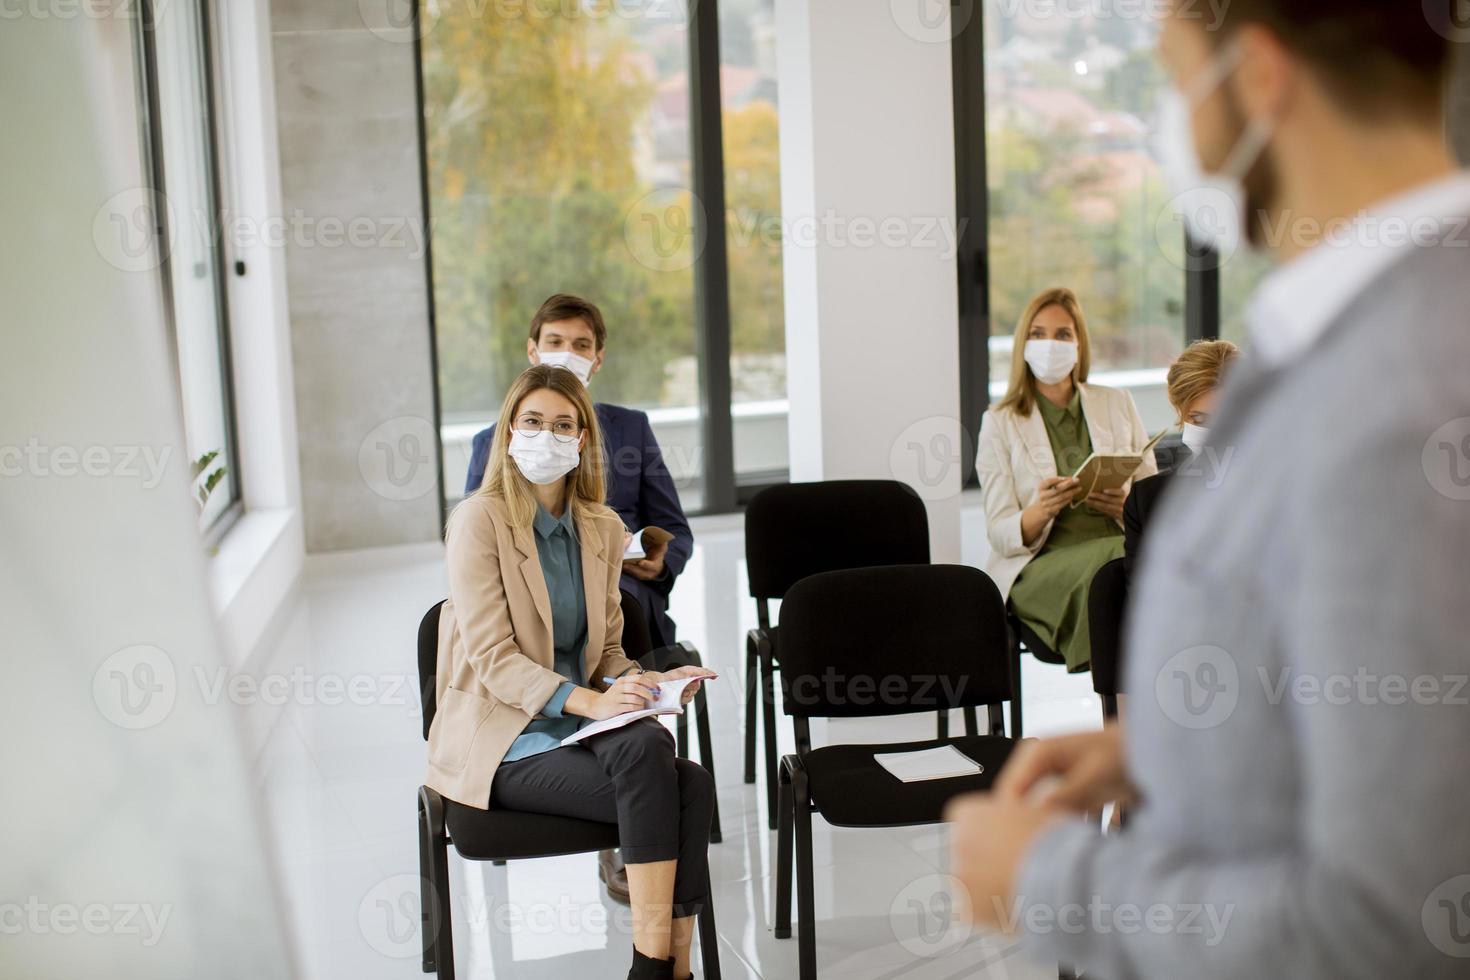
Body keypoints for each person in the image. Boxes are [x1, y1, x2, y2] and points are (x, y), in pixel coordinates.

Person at [947, 3, 1470, 977]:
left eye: (1177, 79)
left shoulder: (1407, 399)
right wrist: (1174, 740)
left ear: (1261, 77)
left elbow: (1390, 924)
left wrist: (1051, 879)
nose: (1172, 125)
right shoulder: (1348, 321)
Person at [427, 364, 717, 980]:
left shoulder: (602, 527)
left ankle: (664, 967)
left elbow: (608, 651)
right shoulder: (477, 522)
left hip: (583, 728)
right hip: (506, 737)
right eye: (532, 422)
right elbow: (493, 658)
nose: (547, 435)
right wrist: (593, 703)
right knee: (674, 779)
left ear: (583, 439)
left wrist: (645, 684)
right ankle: (665, 970)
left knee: (668, 760)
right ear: (508, 431)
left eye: (564, 425)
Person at [465, 294, 694, 651]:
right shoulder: (492, 441)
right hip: (531, 586)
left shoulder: (632, 428)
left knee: (617, 609)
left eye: (581, 345)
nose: (567, 354)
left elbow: (676, 530)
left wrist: (660, 564)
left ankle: (629, 700)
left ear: (597, 359)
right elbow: (474, 543)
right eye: (555, 342)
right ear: (533, 351)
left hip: (621, 584)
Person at [977, 287, 1158, 671]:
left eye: (1063, 334)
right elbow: (998, 532)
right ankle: (1126, 708)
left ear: (1079, 344)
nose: (1050, 345)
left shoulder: (1117, 402)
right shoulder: (999, 421)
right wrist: (1039, 511)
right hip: (1042, 562)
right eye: (1038, 334)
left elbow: (1152, 496)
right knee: (1122, 564)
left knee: (1133, 560)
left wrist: (1126, 503)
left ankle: (1133, 699)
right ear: (1023, 343)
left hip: (1114, 545)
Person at [1121, 338, 1238, 578]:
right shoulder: (1147, 502)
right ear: (1181, 413)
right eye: (1200, 420)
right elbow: (1146, 601)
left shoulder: (1281, 492)